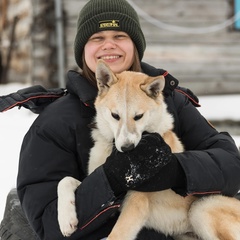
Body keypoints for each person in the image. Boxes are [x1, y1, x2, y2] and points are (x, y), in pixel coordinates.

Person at [16, 0, 240, 240]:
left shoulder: (169, 100)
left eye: (119, 35)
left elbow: (231, 165)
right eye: (97, 38)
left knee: (204, 214)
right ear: (83, 48)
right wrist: (110, 180)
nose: (109, 44)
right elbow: (48, 226)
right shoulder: (54, 123)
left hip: (194, 220)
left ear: (135, 44)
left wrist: (177, 170)